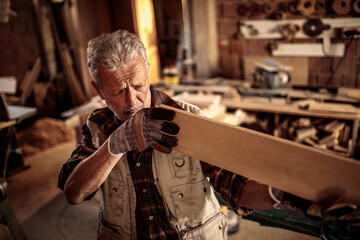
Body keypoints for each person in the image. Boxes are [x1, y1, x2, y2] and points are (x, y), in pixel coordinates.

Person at [58, 30, 357, 240]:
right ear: (98, 91)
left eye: (138, 85)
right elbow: (74, 193)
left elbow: (234, 185)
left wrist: (282, 194)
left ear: (148, 71)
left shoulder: (186, 119)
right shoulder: (97, 126)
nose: (133, 101)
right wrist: (113, 146)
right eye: (118, 92)